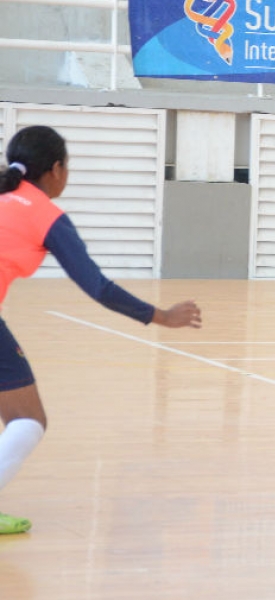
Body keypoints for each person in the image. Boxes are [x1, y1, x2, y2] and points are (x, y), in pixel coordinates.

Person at [0, 125, 202, 534]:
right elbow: (98, 287)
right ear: (56, 169)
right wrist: (161, 316)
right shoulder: (45, 215)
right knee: (27, 420)